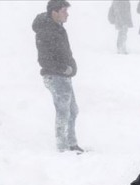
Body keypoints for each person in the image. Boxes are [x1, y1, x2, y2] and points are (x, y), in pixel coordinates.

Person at [32, 0, 84, 153]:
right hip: (55, 77)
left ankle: (71, 143)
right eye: (64, 11)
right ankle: (62, 147)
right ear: (54, 12)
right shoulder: (46, 31)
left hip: (63, 76)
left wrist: (72, 66)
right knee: (63, 111)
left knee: (72, 110)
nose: (67, 14)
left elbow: (65, 52)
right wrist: (64, 69)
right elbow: (44, 59)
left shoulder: (58, 28)